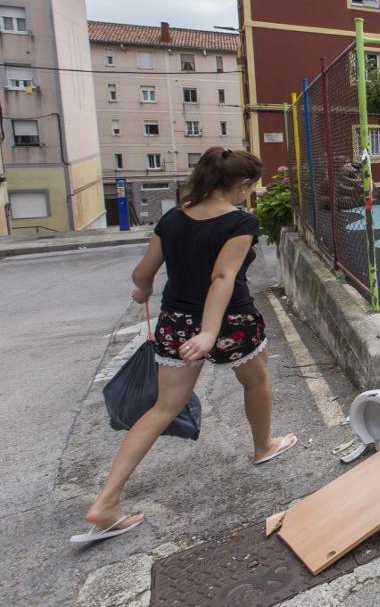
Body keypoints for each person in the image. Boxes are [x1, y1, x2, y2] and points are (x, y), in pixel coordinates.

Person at [74, 147, 297, 543]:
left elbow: (143, 272)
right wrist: (211, 333)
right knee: (257, 382)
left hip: (176, 320)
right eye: (251, 187)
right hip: (230, 320)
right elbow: (223, 279)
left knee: (163, 408)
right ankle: (263, 446)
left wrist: (143, 291)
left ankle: (106, 502)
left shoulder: (173, 217)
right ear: (242, 185)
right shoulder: (240, 222)